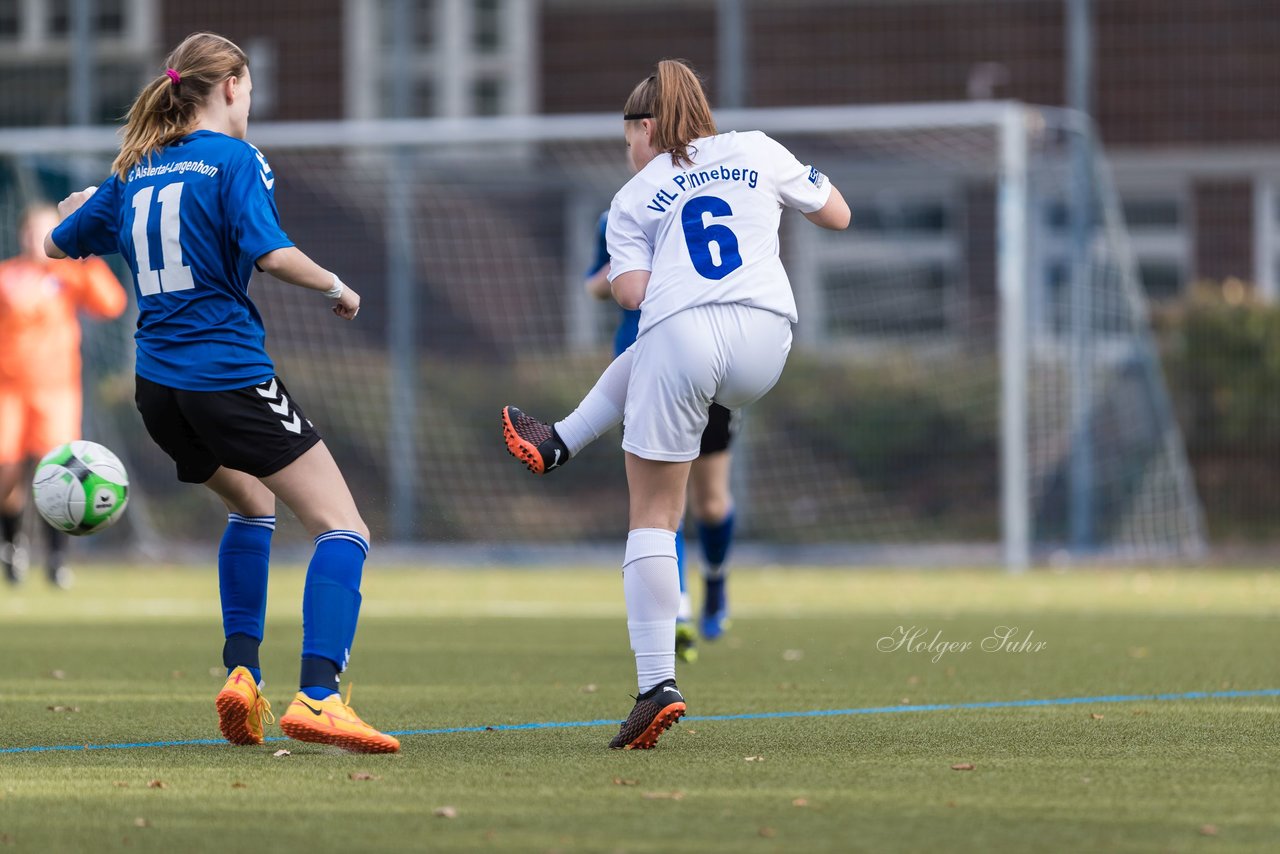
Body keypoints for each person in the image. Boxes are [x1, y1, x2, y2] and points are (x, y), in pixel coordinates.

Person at [45, 32, 398, 753]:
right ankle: (322, 696)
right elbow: (269, 253)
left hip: (160, 392)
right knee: (344, 527)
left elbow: (57, 243)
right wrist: (338, 285)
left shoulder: (135, 167)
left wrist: (85, 202)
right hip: (226, 375)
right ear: (232, 85)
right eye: (250, 88)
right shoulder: (237, 160)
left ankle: (241, 673)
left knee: (252, 502)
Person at [503, 59, 850, 749]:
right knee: (666, 395)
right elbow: (837, 214)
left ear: (651, 127)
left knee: (655, 517)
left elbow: (630, 295)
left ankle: (656, 683)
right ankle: (560, 439)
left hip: (683, 341)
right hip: (766, 341)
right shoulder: (756, 148)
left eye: (632, 131)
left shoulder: (637, 193)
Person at [585, 212, 739, 657]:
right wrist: (620, 272)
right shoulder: (618, 214)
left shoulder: (707, 200)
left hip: (704, 364)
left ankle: (715, 584)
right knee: (657, 499)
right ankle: (678, 611)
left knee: (710, 501)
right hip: (644, 367)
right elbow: (593, 284)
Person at [0, 204, 127, 589]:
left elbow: (111, 304)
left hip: (56, 391)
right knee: (7, 472)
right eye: (30, 230)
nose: (34, 238)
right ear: (21, 235)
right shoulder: (7, 275)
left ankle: (57, 558)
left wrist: (86, 258)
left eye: (45, 231)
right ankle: (12, 547)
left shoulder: (72, 273)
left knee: (56, 471)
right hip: (8, 390)